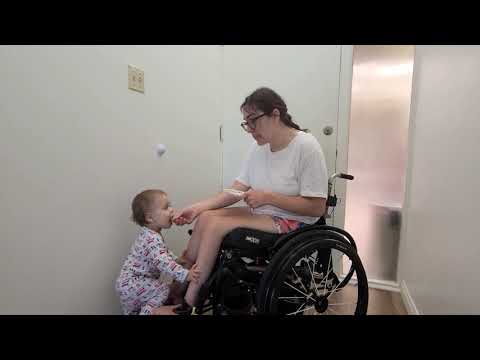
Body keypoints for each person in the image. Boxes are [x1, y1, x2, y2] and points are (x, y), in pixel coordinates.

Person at [173, 87, 329, 315]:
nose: (250, 129)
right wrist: (198, 207)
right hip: (264, 215)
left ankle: (189, 301)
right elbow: (236, 189)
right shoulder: (258, 149)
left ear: (275, 114)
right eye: (246, 123)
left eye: (253, 120)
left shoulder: (306, 146)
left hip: (295, 221)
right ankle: (179, 284)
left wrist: (268, 197)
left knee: (216, 225)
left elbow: (316, 207)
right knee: (207, 217)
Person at [115, 189, 200, 315]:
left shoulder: (149, 234)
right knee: (163, 290)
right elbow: (163, 262)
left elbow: (162, 253)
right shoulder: (152, 238)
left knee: (134, 311)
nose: (171, 210)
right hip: (134, 282)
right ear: (149, 217)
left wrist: (176, 259)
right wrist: (185, 274)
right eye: (166, 207)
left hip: (128, 284)